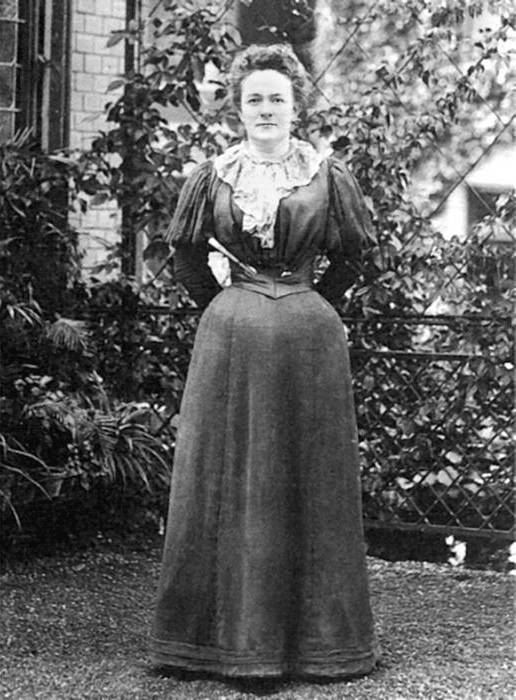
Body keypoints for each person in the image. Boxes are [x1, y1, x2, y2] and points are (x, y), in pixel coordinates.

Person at [151, 43, 379, 679]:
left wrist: (309, 301)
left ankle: (316, 646)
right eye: (255, 99)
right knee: (223, 474)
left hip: (309, 338)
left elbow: (355, 255)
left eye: (278, 98)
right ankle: (212, 644)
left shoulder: (327, 175)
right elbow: (187, 256)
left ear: (296, 105)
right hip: (231, 336)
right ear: (238, 107)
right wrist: (230, 306)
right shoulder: (212, 176)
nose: (267, 109)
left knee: (310, 476)